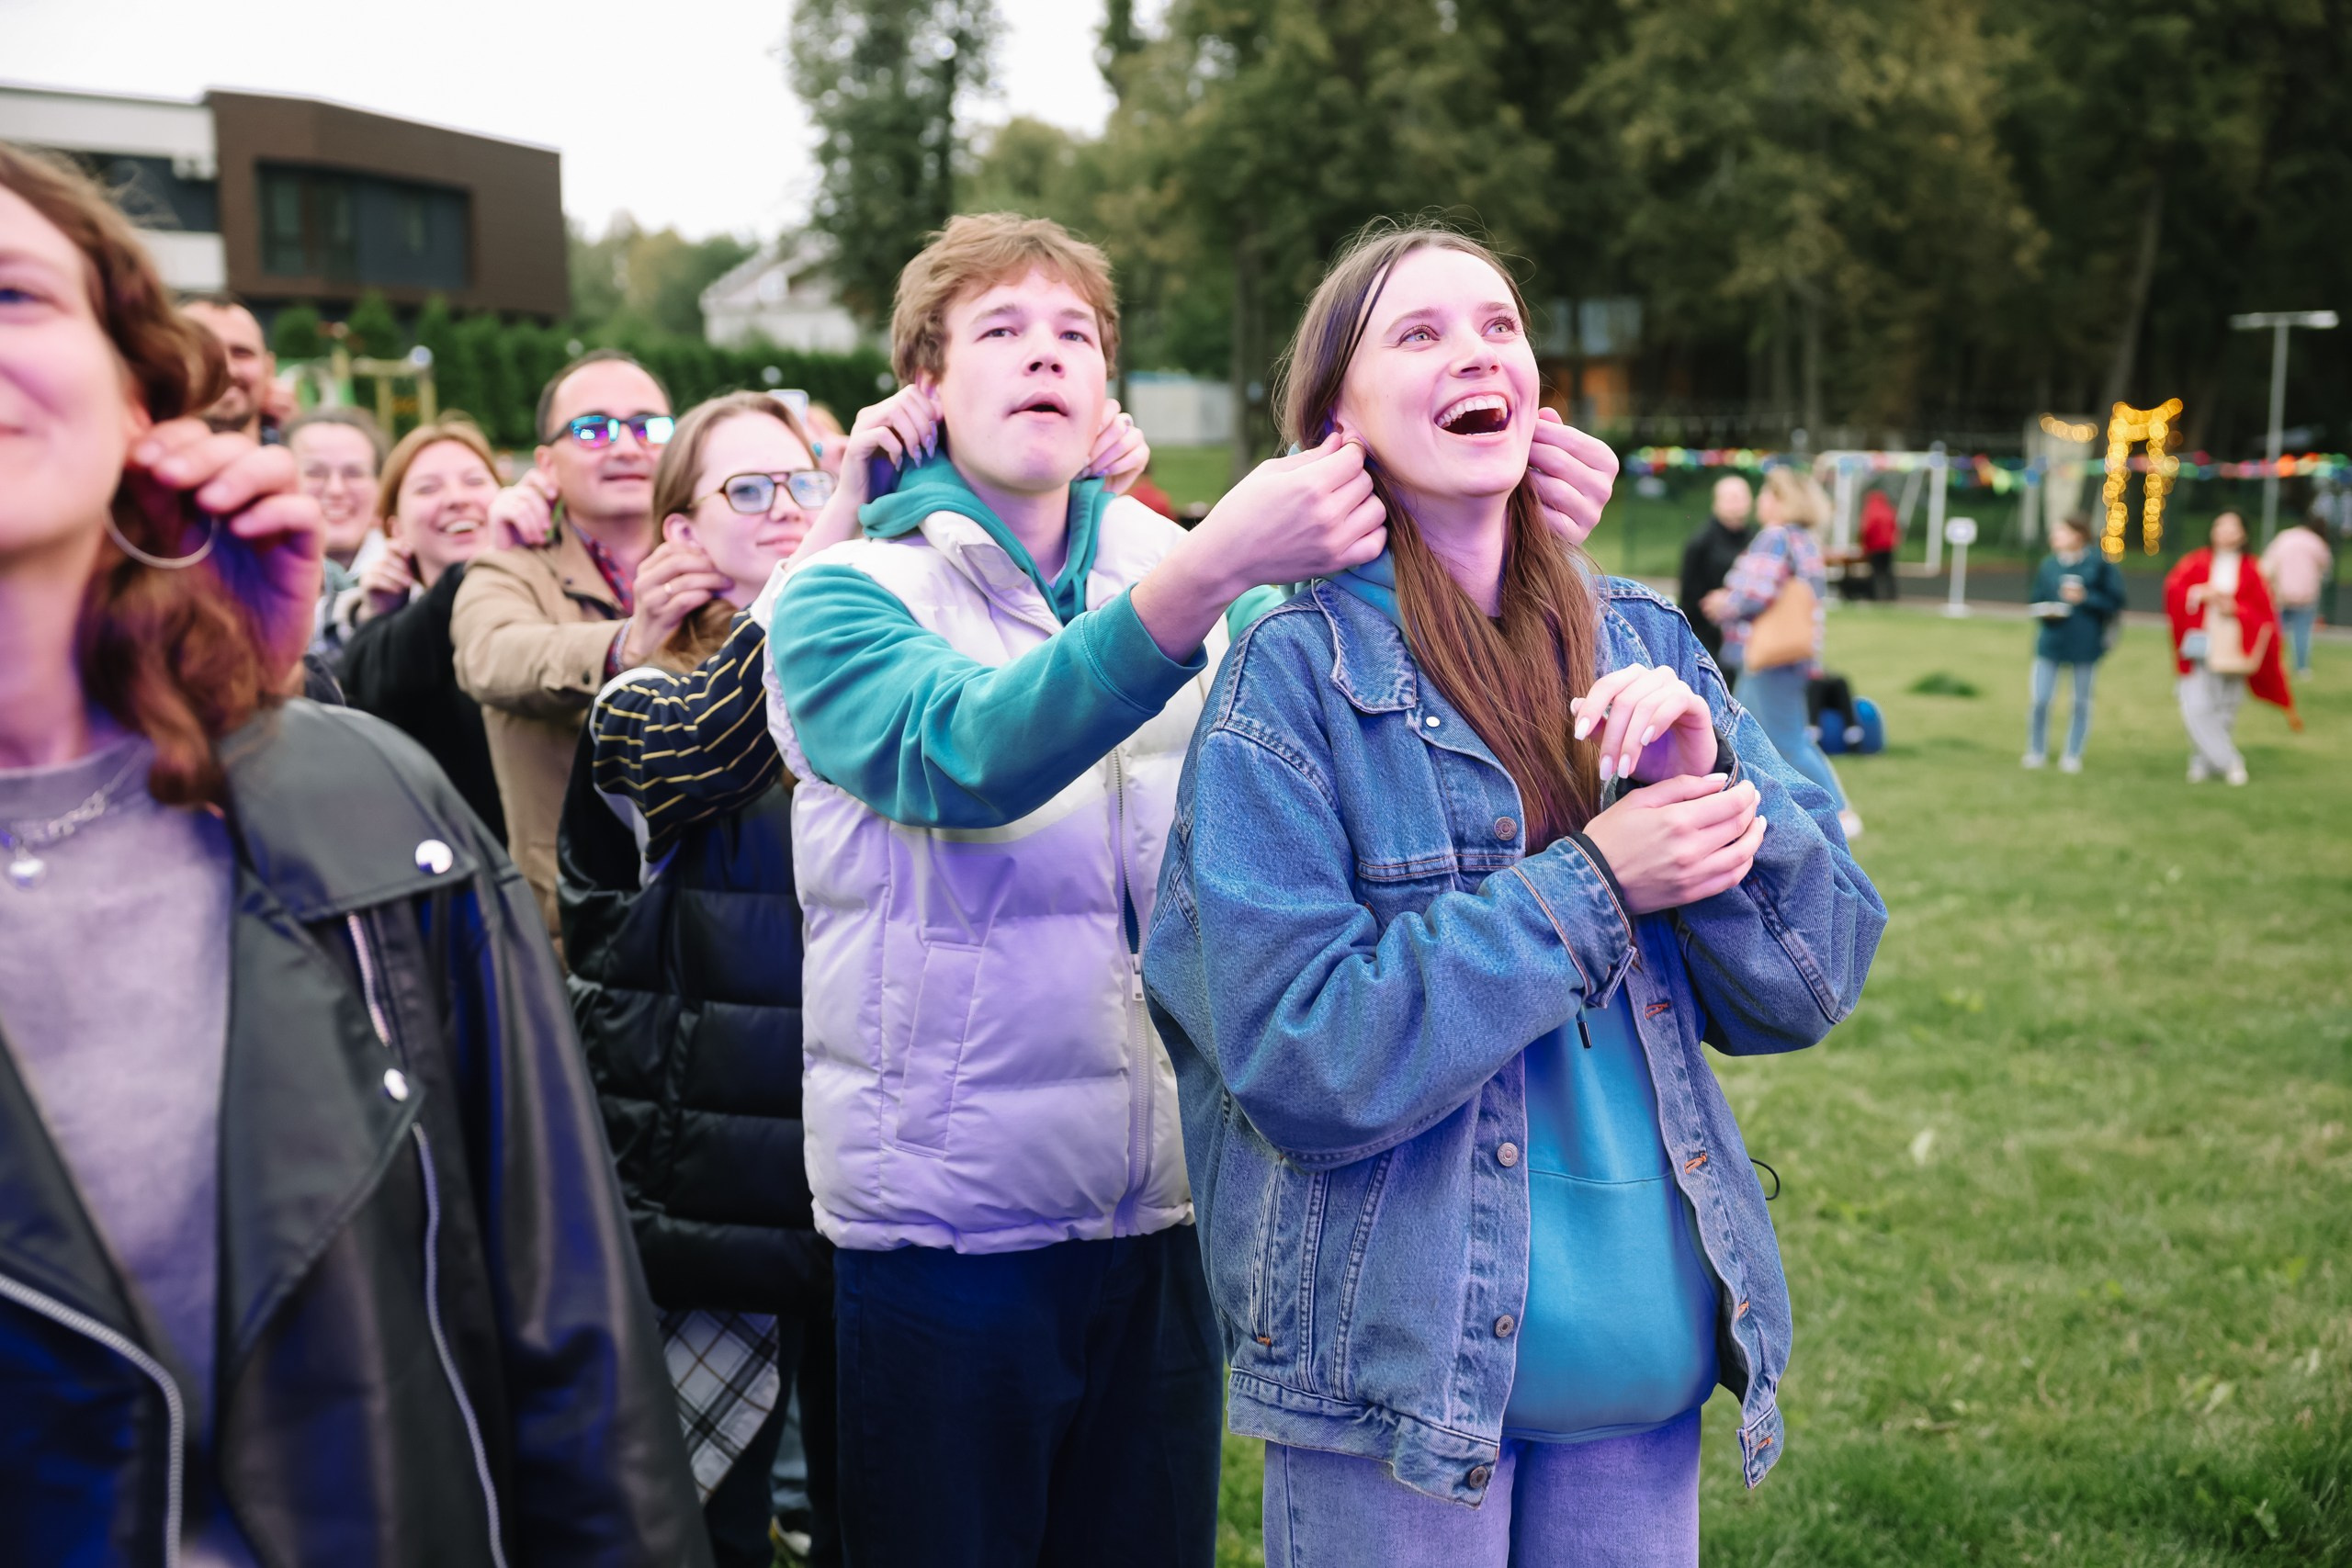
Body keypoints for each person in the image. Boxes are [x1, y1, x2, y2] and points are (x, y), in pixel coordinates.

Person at [762, 211, 1618, 1568]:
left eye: (1076, 333)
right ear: (922, 386)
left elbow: (1392, 679)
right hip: (939, 1233)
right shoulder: (842, 594)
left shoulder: (1192, 580)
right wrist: (1212, 561)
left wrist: (1508, 524)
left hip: (1170, 1212)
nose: (1045, 354)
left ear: (1108, 386)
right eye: (1000, 329)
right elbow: (968, 752)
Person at [0, 141, 707, 1568]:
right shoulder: (495, 592)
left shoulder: (370, 805)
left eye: (12, 294)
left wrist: (260, 725)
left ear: (135, 393)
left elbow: (567, 1342)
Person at [1143, 223, 1884, 1568]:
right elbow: (1299, 1056)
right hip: (1402, 1393)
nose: (1475, 353)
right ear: (1336, 421)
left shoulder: (1645, 639)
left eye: (1498, 326)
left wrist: (1709, 791)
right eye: (1417, 334)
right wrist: (1599, 881)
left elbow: (1811, 978)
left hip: (1643, 1383)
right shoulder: (1288, 682)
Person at [560, 390, 845, 1568]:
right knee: (702, 1525)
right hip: (708, 1200)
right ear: (680, 531)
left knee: (880, 1509)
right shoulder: (641, 700)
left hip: (858, 1169)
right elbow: (720, 742)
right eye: (748, 489)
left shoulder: (872, 669)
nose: (788, 508)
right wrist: (838, 542)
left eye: (804, 481)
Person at [450, 348, 681, 937]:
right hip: (577, 927)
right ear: (546, 464)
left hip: (724, 921)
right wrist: (627, 643)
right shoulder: (509, 568)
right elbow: (489, 657)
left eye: (649, 427)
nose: (626, 447)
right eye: (592, 429)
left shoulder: (719, 553)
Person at [335, 416, 507, 838]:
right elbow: (375, 684)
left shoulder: (557, 602)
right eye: (428, 489)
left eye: (474, 481)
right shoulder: (381, 638)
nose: (457, 499)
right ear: (395, 528)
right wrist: (377, 611)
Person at [1704, 467, 1860, 838]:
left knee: (1784, 741)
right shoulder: (1804, 539)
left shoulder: (1775, 537)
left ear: (1779, 499)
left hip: (1768, 655)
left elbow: (1755, 593)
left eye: (1765, 493)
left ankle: (1840, 813)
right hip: (1792, 655)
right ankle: (1754, 807)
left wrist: (1724, 604)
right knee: (1753, 736)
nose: (1759, 500)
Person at [2165, 511, 2298, 785]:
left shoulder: (2252, 569)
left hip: (2235, 646)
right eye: (2220, 526)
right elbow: (2175, 591)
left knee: (2226, 706)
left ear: (2243, 534)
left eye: (2232, 527)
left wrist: (2235, 609)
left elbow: (2265, 612)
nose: (2225, 532)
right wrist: (2199, 593)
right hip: (2201, 644)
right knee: (2196, 704)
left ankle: (2203, 761)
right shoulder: (2195, 562)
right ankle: (2229, 762)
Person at [2021, 512, 2126, 773]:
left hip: (2085, 643)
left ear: (2078, 536)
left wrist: (2085, 598)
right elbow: (2036, 597)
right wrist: (2047, 610)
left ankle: (2072, 754)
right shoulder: (2049, 565)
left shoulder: (2099, 565)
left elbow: (2115, 602)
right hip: (2051, 640)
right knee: (2040, 700)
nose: (2054, 536)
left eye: (2061, 532)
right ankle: (2036, 751)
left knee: (2080, 702)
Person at [284, 404, 389, 653]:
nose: (335, 490)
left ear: (382, 487)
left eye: (354, 473)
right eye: (314, 473)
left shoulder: (417, 582)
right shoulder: (248, 583)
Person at [180, 292, 278, 442]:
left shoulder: (301, 454)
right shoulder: (142, 453)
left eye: (241, 353)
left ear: (269, 369)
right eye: (204, 352)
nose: (228, 370)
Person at [1675, 472, 1751, 665]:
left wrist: (1731, 599)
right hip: (1708, 635)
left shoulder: (1757, 540)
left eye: (1740, 497)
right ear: (1716, 502)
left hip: (1748, 635)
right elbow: (1689, 598)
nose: (1736, 504)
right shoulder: (1701, 542)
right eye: (1730, 498)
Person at [2260, 512, 2332, 678]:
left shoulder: (2284, 537)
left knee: (2276, 632)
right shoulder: (2317, 543)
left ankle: (2272, 664)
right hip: (2306, 595)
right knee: (2302, 633)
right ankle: (2301, 668)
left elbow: (2267, 563)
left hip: (2280, 593)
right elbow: (2326, 567)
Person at [1860, 487, 1898, 600]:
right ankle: (1891, 595)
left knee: (1876, 573)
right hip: (1888, 547)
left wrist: (1864, 546)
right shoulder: (1888, 510)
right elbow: (1895, 527)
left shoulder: (1871, 511)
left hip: (1875, 547)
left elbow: (1867, 530)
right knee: (1888, 572)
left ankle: (1878, 596)